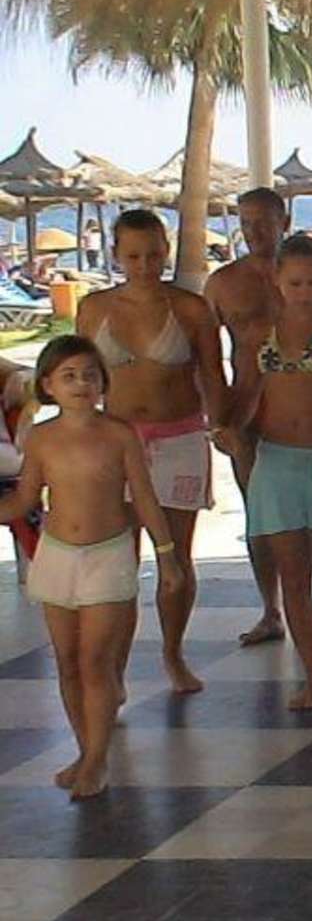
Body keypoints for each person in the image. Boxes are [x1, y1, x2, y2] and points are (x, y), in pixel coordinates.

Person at [0, 336, 184, 800]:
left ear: (103, 382)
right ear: (47, 386)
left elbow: (144, 497)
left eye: (89, 374)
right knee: (67, 662)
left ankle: (98, 759)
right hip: (57, 555)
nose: (81, 383)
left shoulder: (119, 434)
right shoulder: (41, 438)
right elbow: (25, 499)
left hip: (109, 555)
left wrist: (167, 555)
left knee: (95, 661)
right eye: (68, 376)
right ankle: (86, 751)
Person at [75, 209, 230, 695]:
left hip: (180, 439)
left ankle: (172, 652)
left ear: (167, 251)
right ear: (116, 255)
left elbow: (213, 375)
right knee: (118, 560)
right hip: (116, 445)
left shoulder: (190, 309)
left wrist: (223, 426)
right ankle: (116, 669)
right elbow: (78, 378)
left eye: (153, 255)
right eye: (134, 256)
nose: (144, 265)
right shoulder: (94, 308)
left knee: (176, 558)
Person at [204, 187, 312, 649]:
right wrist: (219, 421)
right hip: (249, 418)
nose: (255, 231)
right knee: (262, 524)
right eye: (246, 223)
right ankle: (271, 609)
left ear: (283, 222)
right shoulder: (223, 284)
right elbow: (208, 359)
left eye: (264, 222)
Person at [227, 235, 312, 711]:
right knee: (293, 573)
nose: (304, 292)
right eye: (296, 283)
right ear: (277, 281)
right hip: (276, 460)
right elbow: (246, 391)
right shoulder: (259, 332)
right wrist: (229, 427)